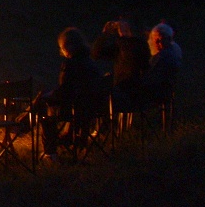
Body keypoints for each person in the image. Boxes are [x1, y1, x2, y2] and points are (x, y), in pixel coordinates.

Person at [39, 27, 107, 161]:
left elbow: (64, 91)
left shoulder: (70, 64)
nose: (62, 51)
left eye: (62, 48)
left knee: (43, 107)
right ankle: (24, 122)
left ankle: (50, 153)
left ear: (67, 47)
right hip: (93, 109)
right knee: (44, 96)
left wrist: (48, 96)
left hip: (73, 110)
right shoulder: (91, 63)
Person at [91, 17, 151, 114]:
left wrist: (119, 36)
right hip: (123, 88)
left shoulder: (137, 45)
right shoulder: (122, 46)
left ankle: (103, 128)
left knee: (101, 98)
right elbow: (96, 54)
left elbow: (132, 57)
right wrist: (105, 35)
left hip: (130, 90)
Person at [140, 22, 181, 107]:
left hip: (155, 92)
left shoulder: (162, 56)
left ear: (168, 39)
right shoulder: (174, 51)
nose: (156, 43)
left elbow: (148, 73)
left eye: (159, 40)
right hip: (164, 89)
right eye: (155, 40)